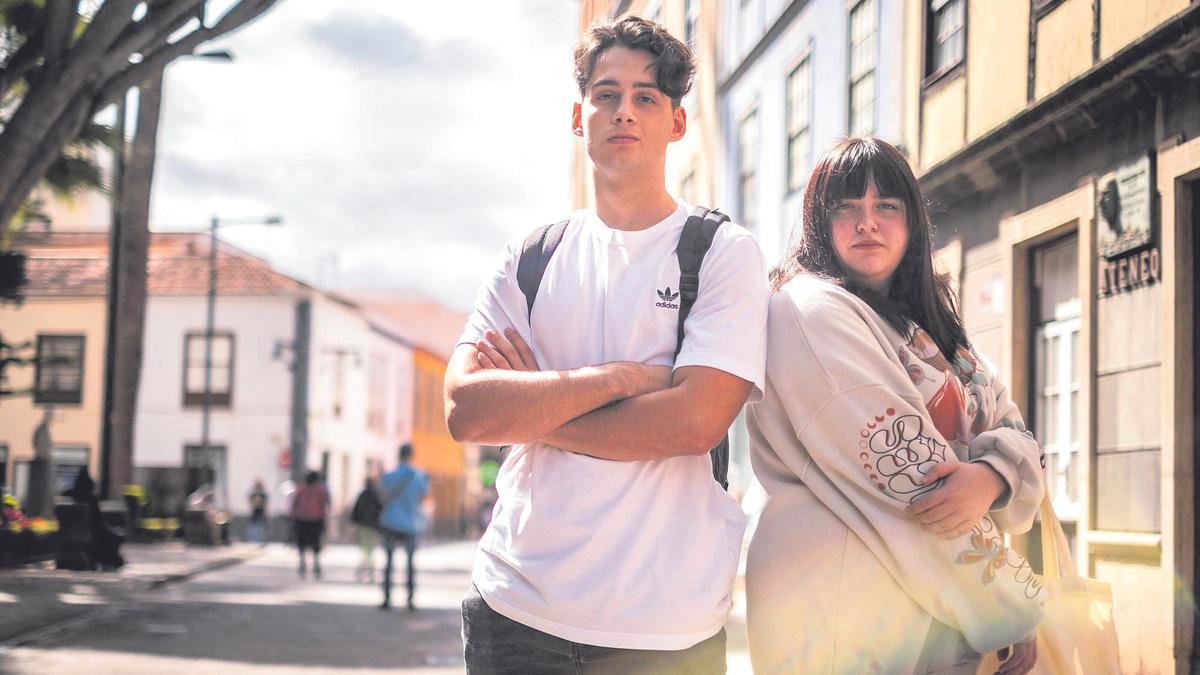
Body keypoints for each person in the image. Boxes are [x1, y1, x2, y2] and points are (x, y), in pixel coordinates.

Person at [444, 15, 768, 673]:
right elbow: (467, 412)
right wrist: (617, 379)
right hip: (516, 611)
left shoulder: (720, 254)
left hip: (663, 631)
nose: (625, 111)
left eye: (647, 97)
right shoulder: (530, 257)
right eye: (608, 94)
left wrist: (535, 408)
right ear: (579, 113)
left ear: (676, 122)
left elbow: (692, 423)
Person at [745, 137, 1045, 674]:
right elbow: (914, 481)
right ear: (818, 221)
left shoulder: (930, 327)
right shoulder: (808, 311)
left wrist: (993, 477)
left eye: (887, 206)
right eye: (847, 208)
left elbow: (1012, 424)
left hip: (939, 619)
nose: (868, 223)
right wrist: (1011, 605)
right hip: (846, 618)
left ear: (911, 222)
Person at [378, 444, 428, 610]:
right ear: (411, 455)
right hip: (410, 524)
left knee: (389, 561)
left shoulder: (390, 475)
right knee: (410, 563)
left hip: (391, 521)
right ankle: (410, 599)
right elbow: (423, 497)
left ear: (399, 455)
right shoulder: (419, 476)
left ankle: (386, 598)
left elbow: (383, 496)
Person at [291, 470, 329, 579]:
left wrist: (293, 516)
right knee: (315, 541)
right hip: (315, 519)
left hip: (301, 518)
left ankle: (302, 561)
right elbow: (324, 505)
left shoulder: (301, 489)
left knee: (301, 541)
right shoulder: (320, 491)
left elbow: (294, 503)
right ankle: (316, 562)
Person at [350, 476, 383, 583]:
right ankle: (369, 571)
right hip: (373, 527)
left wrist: (355, 522)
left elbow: (356, 510)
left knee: (365, 549)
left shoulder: (363, 495)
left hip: (363, 526)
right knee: (370, 550)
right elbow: (380, 510)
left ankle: (363, 571)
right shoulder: (376, 496)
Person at [247, 479, 268, 545]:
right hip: (254, 513)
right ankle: (253, 541)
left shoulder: (263, 494)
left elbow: (264, 504)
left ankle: (260, 541)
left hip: (261, 513)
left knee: (261, 529)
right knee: (253, 528)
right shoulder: (253, 494)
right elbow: (251, 503)